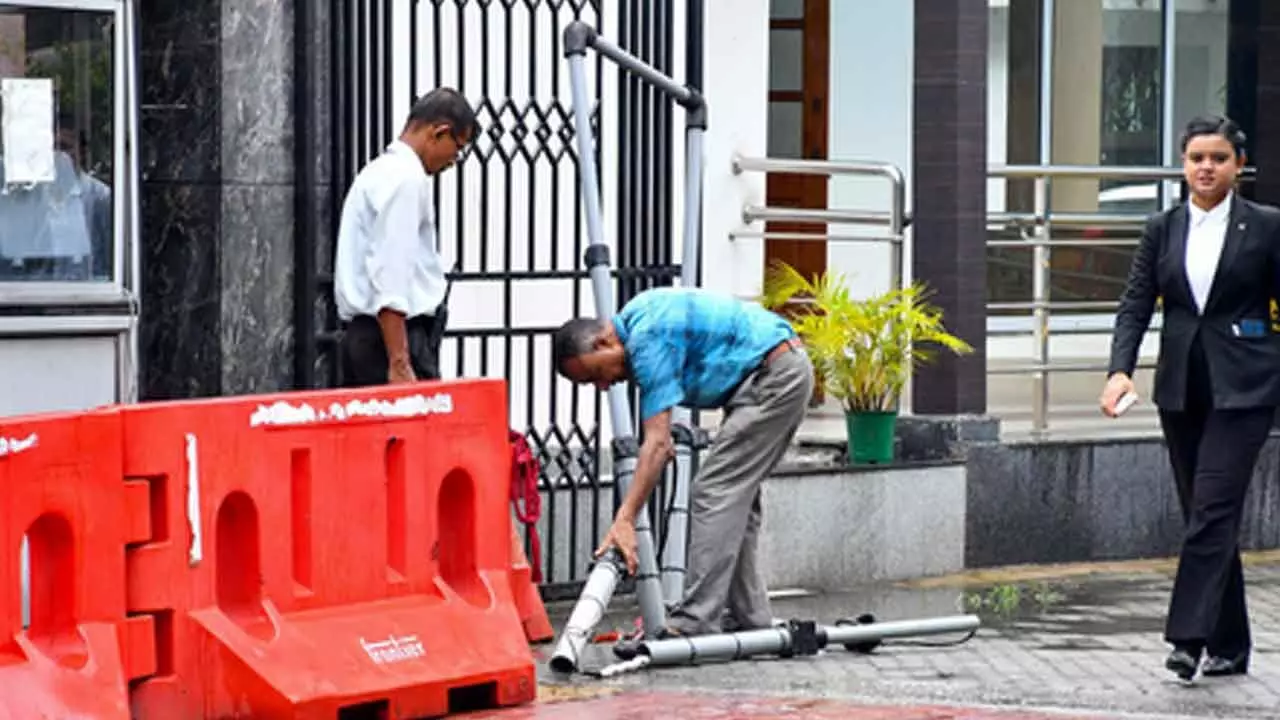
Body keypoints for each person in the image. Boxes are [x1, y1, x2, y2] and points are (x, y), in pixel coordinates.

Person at [1101, 114, 1280, 682]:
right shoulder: (1162, 228)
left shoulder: (1267, 226)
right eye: (1197, 158)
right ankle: (1231, 644)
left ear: (1238, 165)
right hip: (1180, 388)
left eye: (1219, 158)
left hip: (1246, 388)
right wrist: (1119, 371)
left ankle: (1187, 639)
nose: (1207, 167)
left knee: (1212, 510)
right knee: (1204, 515)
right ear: (1183, 164)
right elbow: (1135, 304)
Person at [551, 286, 815, 647]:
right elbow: (658, 440)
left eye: (595, 374)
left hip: (773, 377)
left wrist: (625, 519)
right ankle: (751, 619)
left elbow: (657, 444)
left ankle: (696, 621)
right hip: (769, 374)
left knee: (714, 492)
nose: (602, 386)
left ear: (604, 342)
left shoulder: (646, 340)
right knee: (735, 500)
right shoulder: (640, 319)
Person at [334, 87, 478, 386]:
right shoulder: (407, 180)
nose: (453, 160)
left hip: (370, 338)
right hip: (393, 341)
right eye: (458, 148)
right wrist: (399, 361)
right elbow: (391, 271)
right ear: (439, 132)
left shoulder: (378, 172)